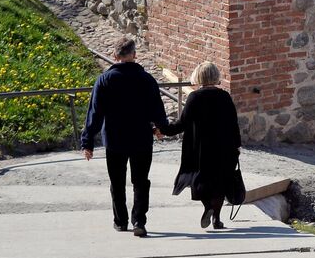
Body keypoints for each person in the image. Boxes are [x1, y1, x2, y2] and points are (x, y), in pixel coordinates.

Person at [81, 39, 170, 238]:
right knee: (140, 181)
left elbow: (95, 114)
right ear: (134, 55)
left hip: (114, 139)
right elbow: (156, 108)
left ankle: (120, 221)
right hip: (141, 138)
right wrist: (159, 127)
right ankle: (139, 220)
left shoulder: (104, 80)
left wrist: (87, 142)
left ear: (114, 55)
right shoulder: (146, 79)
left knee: (117, 182)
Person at [162, 62, 242, 230]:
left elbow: (182, 123)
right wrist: (237, 146)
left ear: (198, 76)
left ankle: (208, 207)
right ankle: (217, 219)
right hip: (224, 147)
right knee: (220, 183)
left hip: (201, 149)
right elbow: (233, 124)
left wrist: (163, 129)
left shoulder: (194, 97)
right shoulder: (225, 97)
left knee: (203, 182)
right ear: (216, 76)